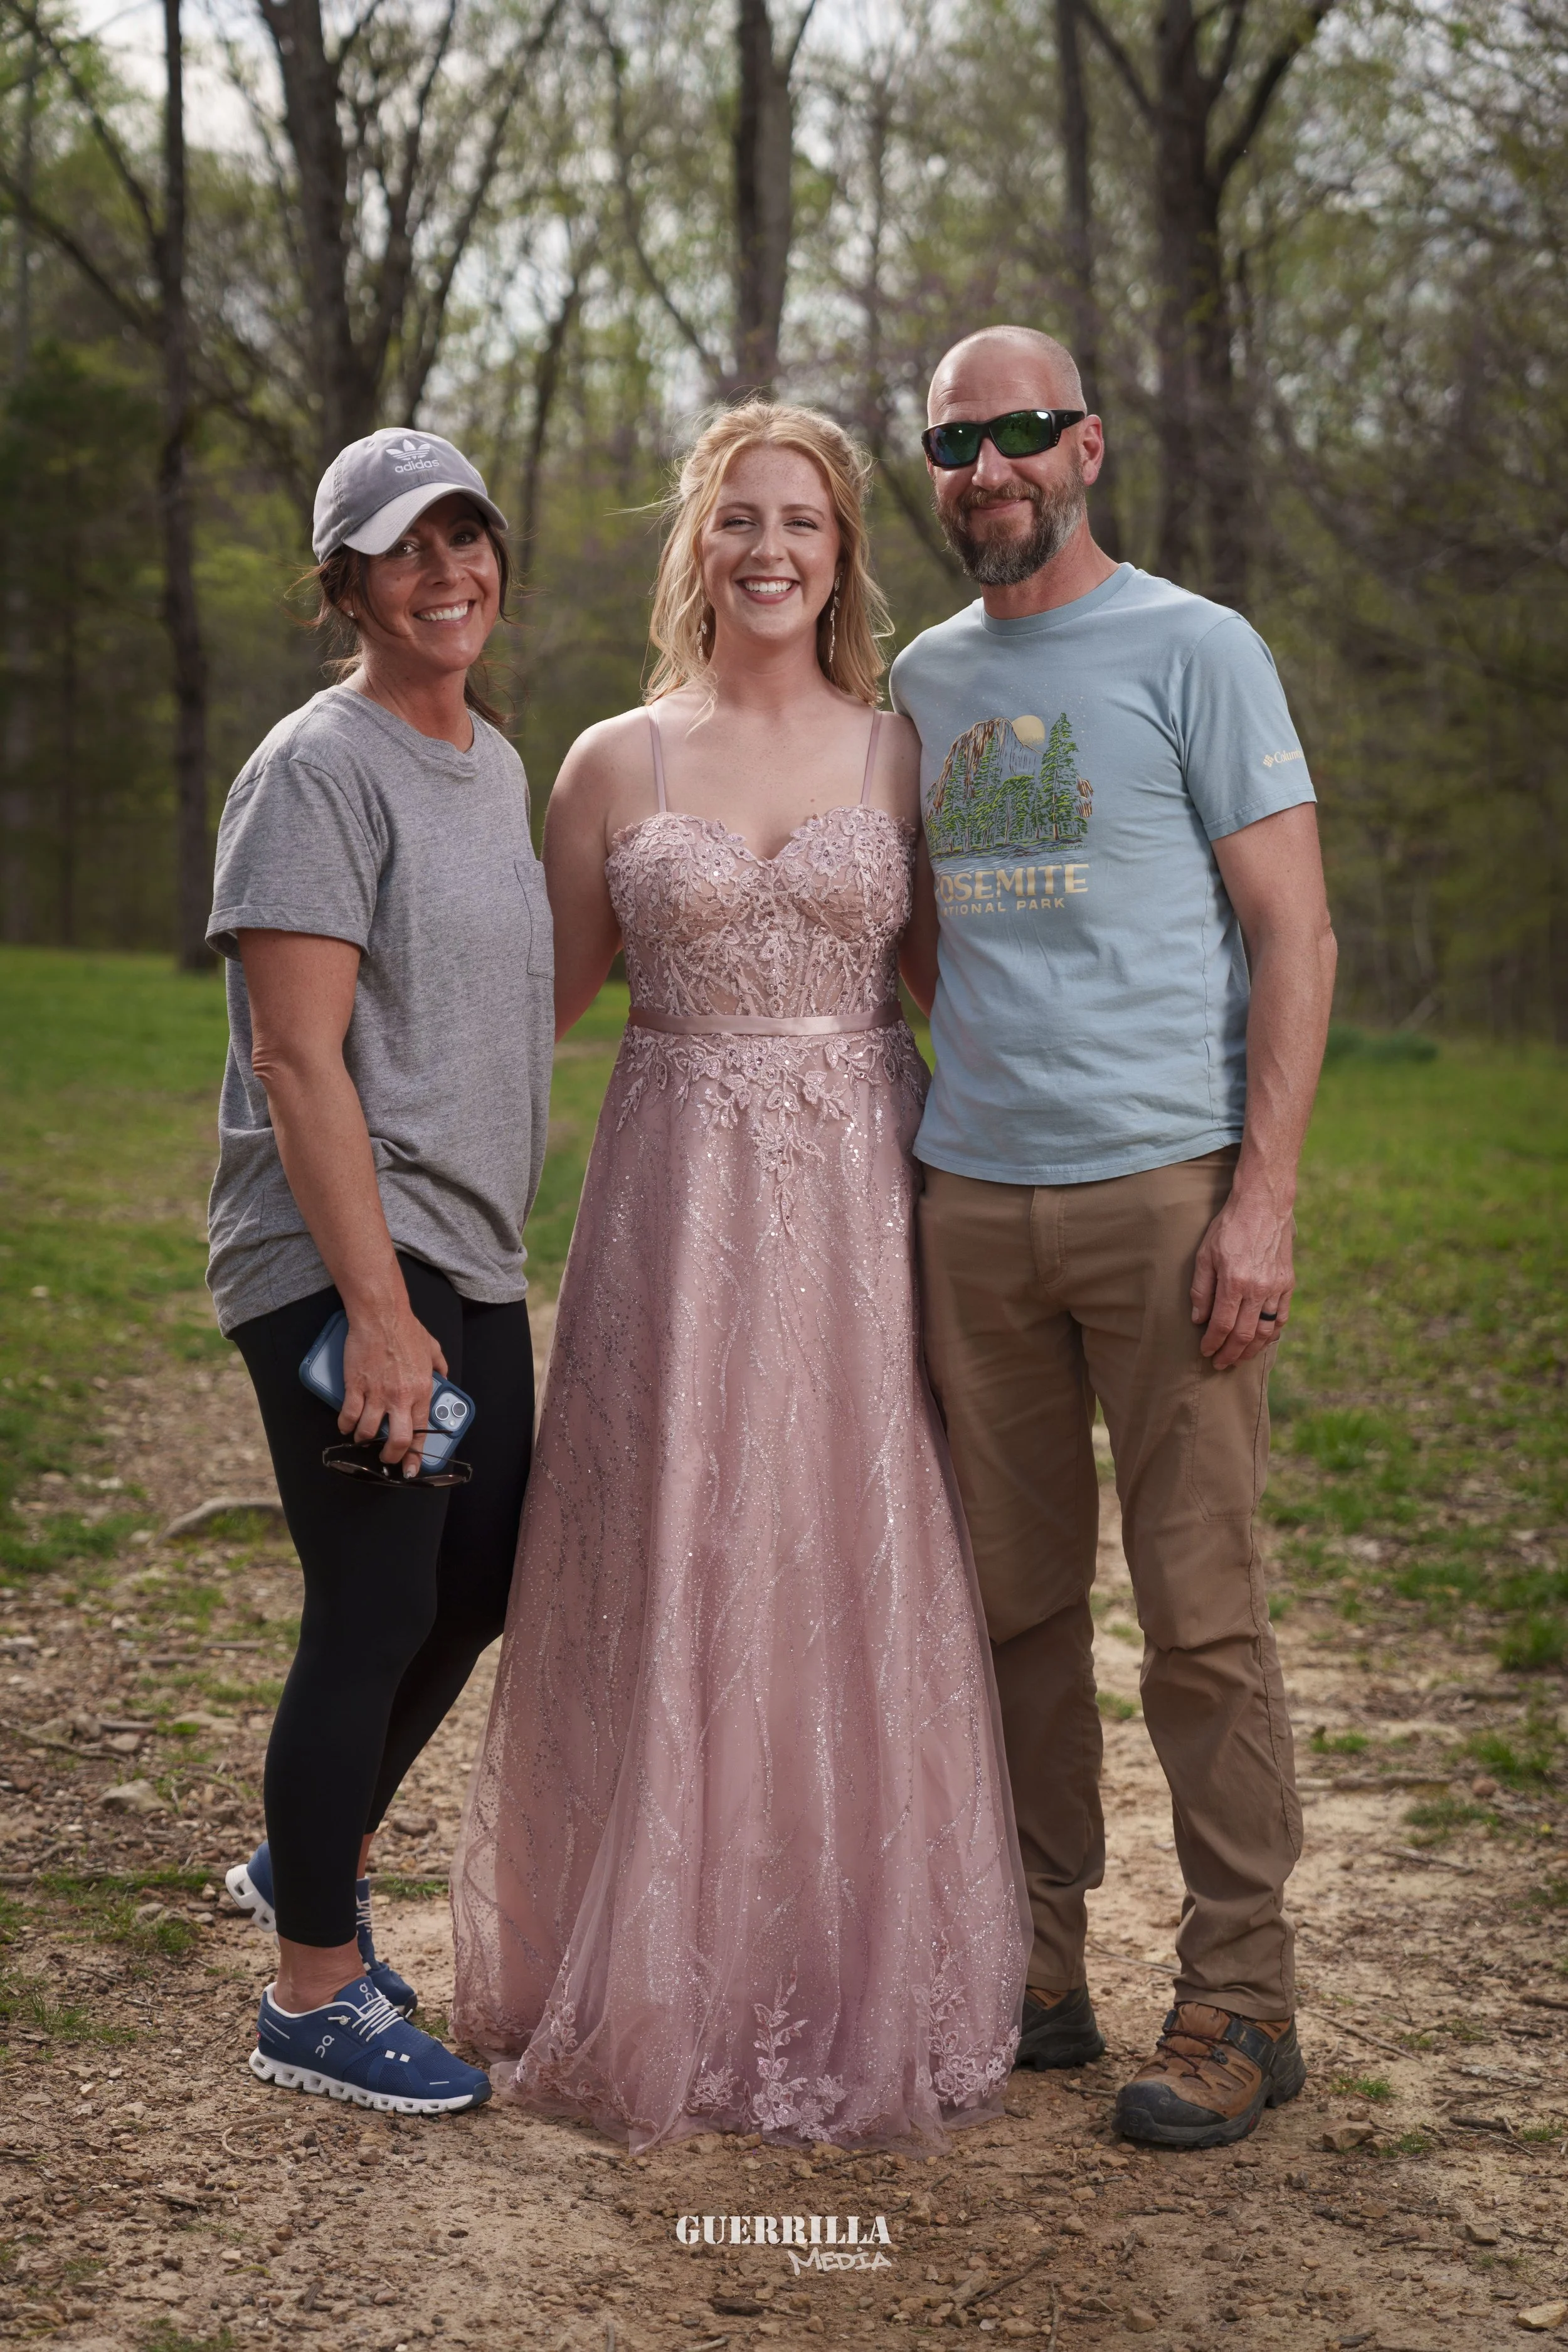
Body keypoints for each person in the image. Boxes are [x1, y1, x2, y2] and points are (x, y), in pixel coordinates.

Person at [450, 400, 1028, 2149]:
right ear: (695, 546)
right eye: (737, 519)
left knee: (847, 1539)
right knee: (672, 1533)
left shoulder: (899, 752)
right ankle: (646, 1953)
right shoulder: (610, 763)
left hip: (858, 1207)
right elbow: (528, 1017)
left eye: (801, 523)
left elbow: (969, 992)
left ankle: (843, 1954)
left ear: (842, 556)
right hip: (675, 1208)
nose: (768, 550)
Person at [890, 327, 1337, 2151]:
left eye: (1017, 432)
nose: (986, 468)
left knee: (1200, 1617)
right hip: (973, 1206)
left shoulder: (1196, 647)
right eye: (952, 441)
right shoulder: (918, 680)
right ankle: (1030, 1965)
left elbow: (1295, 934)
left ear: (1083, 447)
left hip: (1167, 1198)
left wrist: (1259, 1198)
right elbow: (922, 931)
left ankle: (1242, 1997)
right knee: (1008, 1610)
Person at [206, 428, 553, 2115]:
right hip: (346, 1252)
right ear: (344, 584)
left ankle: (312, 1849)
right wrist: (375, 1308)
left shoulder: (492, 763)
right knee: (373, 1602)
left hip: (465, 1245)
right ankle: (312, 1992)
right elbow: (295, 1055)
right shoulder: (314, 768)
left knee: (476, 1580)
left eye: (464, 537)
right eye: (403, 548)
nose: (444, 572)